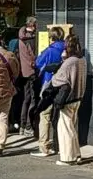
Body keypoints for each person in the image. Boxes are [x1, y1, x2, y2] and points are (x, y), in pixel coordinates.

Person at [32, 31, 87, 165]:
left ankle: (67, 157)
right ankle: (76, 154)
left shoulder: (69, 62)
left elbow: (57, 80)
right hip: (78, 96)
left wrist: (60, 64)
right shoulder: (82, 60)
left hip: (67, 99)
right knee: (72, 128)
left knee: (65, 129)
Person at [30, 26, 65, 154]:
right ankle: (60, 145)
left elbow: (38, 63)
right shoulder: (67, 48)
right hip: (64, 84)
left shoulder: (49, 50)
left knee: (44, 114)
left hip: (49, 82)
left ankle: (44, 146)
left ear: (51, 37)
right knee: (60, 115)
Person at [15, 17, 38, 134]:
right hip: (31, 70)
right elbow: (33, 55)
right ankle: (29, 126)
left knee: (26, 99)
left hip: (23, 71)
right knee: (33, 99)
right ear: (33, 25)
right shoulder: (31, 39)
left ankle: (22, 126)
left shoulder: (21, 36)